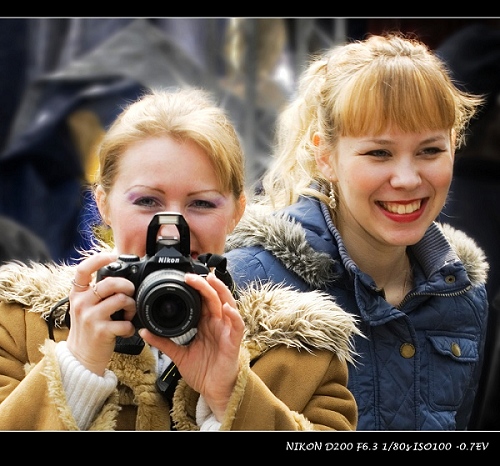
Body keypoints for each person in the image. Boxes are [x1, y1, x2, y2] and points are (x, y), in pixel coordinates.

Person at [0, 87, 360, 431]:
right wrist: (76, 367)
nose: (171, 231)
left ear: (237, 212)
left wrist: (230, 396)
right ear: (103, 204)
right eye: (147, 201)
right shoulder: (19, 327)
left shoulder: (301, 352)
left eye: (201, 203)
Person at [224, 33, 490, 430]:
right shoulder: (245, 279)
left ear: (454, 145)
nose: (407, 178)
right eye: (379, 153)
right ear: (325, 156)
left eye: (430, 150)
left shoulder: (463, 294)